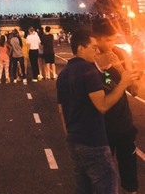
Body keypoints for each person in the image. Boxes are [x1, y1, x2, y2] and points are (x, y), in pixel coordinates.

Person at [57, 28, 138, 194]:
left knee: (85, 186)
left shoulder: (64, 73)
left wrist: (70, 136)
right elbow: (102, 105)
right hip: (95, 139)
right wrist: (123, 82)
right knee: (106, 185)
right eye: (93, 46)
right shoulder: (89, 70)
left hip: (77, 140)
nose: (110, 45)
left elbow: (61, 110)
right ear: (81, 47)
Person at [93, 21, 139, 194]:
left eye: (114, 40)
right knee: (103, 173)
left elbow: (134, 90)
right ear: (97, 39)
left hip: (123, 124)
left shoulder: (120, 54)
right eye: (108, 40)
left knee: (129, 170)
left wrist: (121, 69)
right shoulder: (90, 59)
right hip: (100, 126)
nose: (111, 44)